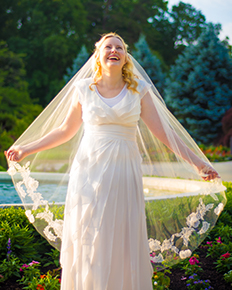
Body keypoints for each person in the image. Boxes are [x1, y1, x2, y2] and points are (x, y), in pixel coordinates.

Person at [5, 33, 223, 290]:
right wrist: (26, 149)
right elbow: (65, 131)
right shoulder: (83, 89)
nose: (114, 50)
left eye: (119, 47)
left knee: (121, 235)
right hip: (88, 172)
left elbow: (165, 133)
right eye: (108, 46)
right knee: (90, 234)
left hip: (124, 174)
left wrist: (198, 163)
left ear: (125, 57)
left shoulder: (139, 90)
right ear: (98, 54)